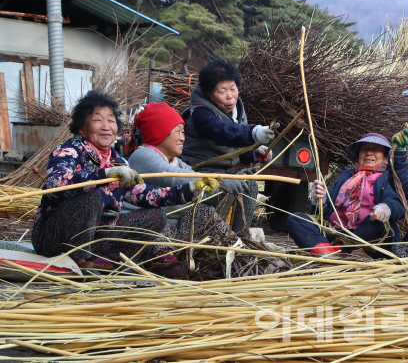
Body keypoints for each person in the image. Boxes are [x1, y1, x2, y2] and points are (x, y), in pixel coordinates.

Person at [31, 91, 220, 277]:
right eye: (98, 120)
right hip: (56, 237)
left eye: (111, 121)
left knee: (155, 217)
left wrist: (191, 188)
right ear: (82, 125)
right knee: (90, 198)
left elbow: (145, 196)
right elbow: (58, 183)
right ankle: (79, 260)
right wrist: (104, 174)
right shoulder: (69, 150)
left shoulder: (118, 161)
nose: (106, 127)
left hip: (97, 237)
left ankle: (102, 256)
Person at [180, 60, 276, 235]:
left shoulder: (236, 109)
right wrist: (253, 133)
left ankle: (240, 237)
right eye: (221, 91)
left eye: (232, 88)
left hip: (225, 172)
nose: (230, 96)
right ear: (209, 93)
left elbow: (230, 151)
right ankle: (216, 235)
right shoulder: (201, 113)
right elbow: (222, 132)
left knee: (249, 184)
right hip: (201, 174)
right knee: (235, 187)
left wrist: (253, 154)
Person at [127, 102, 235, 241]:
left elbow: (196, 180)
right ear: (160, 132)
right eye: (178, 131)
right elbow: (173, 177)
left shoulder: (176, 161)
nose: (182, 138)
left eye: (183, 132)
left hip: (173, 229)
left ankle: (234, 242)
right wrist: (220, 179)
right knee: (156, 217)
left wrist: (231, 181)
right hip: (146, 230)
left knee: (204, 212)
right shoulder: (142, 155)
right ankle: (167, 257)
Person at [286, 133, 404, 256]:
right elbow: (322, 214)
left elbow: (398, 203)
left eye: (375, 149)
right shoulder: (346, 176)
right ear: (358, 154)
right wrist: (318, 201)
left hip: (365, 238)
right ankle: (329, 254)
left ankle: (331, 253)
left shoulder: (389, 178)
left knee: (377, 222)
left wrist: (386, 207)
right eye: (364, 149)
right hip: (335, 234)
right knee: (296, 219)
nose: (369, 153)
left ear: (386, 157)